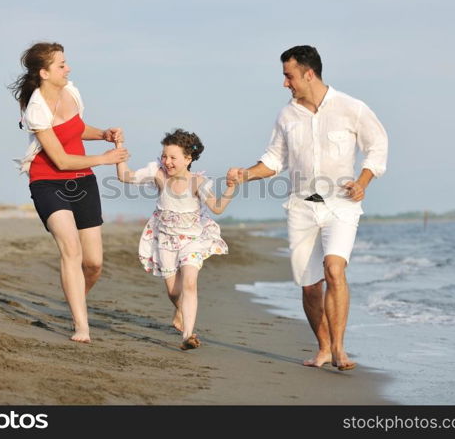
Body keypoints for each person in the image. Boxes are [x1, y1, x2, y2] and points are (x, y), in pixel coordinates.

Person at [227, 45, 388, 370]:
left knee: (334, 269)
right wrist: (246, 174)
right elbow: (274, 159)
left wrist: (363, 182)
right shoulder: (287, 115)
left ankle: (341, 350)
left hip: (341, 204)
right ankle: (324, 348)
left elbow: (377, 145)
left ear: (308, 73)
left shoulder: (350, 108)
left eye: (289, 76)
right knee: (310, 284)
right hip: (301, 207)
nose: (285, 83)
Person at [10, 42, 129, 343]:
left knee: (94, 264)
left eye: (66, 63)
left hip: (83, 182)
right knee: (71, 251)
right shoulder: (35, 108)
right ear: (44, 73)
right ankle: (81, 327)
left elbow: (76, 128)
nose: (68, 68)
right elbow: (60, 160)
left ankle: (74, 296)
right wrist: (104, 159)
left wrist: (103, 134)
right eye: (61, 65)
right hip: (48, 182)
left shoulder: (72, 92)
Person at [115, 129, 235, 350]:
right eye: (164, 156)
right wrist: (118, 149)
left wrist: (231, 188)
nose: (166, 161)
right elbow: (124, 177)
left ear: (188, 159)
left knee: (189, 282)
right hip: (166, 240)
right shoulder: (159, 175)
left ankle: (188, 335)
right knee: (173, 292)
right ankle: (179, 312)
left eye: (172, 157)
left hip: (193, 239)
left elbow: (217, 208)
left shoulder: (198, 182)